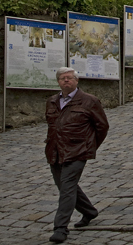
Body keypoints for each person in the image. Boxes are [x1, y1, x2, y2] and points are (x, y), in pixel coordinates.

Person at [45, 67, 109, 243]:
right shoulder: (51, 101)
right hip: (55, 151)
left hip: (77, 151)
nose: (66, 81)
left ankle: (60, 228)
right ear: (58, 81)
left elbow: (102, 126)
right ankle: (89, 211)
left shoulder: (89, 101)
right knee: (65, 186)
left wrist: (90, 145)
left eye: (69, 78)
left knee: (67, 188)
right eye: (62, 78)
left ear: (76, 81)